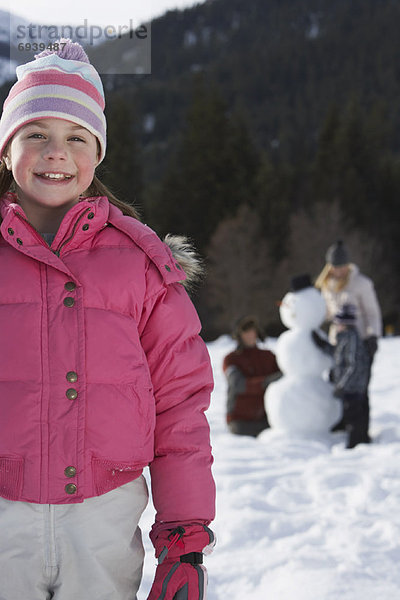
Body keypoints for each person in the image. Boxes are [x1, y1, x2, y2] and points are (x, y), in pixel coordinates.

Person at [0, 39, 215, 600]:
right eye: (35, 135)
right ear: (4, 149)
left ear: (97, 153)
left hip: (102, 519)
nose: (56, 153)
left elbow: (179, 408)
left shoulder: (142, 267)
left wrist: (184, 536)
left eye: (76, 137)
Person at [315, 239, 382, 432]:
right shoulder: (326, 286)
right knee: (337, 382)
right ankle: (343, 421)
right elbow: (326, 313)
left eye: (342, 266)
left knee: (358, 388)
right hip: (339, 341)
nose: (339, 270)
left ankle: (361, 428)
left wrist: (372, 337)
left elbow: (372, 313)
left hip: (361, 342)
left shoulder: (361, 284)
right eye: (335, 266)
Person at [312, 304, 371, 448]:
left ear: (344, 323)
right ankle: (358, 441)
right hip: (350, 387)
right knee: (352, 414)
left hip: (354, 388)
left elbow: (353, 365)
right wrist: (322, 345)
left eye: (337, 322)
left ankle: (357, 444)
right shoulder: (345, 338)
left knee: (355, 417)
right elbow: (338, 356)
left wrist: (342, 385)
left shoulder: (351, 339)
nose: (336, 325)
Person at [223, 315, 281, 437]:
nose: (250, 335)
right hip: (240, 421)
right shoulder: (231, 359)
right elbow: (238, 384)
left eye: (252, 331)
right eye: (246, 331)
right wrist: (265, 382)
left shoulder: (269, 356)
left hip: (266, 419)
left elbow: (283, 377)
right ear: (239, 335)